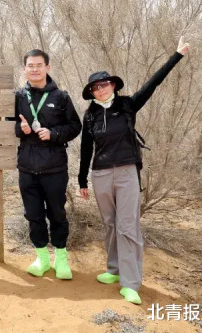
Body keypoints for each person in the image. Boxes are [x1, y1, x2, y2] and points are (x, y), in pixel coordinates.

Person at [78, 37, 190, 305]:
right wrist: (82, 180)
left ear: (113, 85)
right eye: (95, 87)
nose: (100, 90)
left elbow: (154, 83)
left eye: (104, 84)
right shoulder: (90, 115)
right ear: (91, 92)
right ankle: (114, 269)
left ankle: (130, 283)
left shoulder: (127, 105)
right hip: (101, 174)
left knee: (127, 225)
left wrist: (177, 55)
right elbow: (85, 148)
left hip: (127, 172)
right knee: (109, 223)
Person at [15, 49, 82, 279]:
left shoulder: (60, 97)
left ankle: (61, 259)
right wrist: (20, 129)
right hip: (27, 168)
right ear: (24, 69)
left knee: (57, 214)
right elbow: (7, 124)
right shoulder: (19, 97)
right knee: (33, 215)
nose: (34, 69)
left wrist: (54, 134)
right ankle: (42, 259)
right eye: (30, 65)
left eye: (39, 65)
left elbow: (75, 126)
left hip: (54, 168)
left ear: (47, 68)